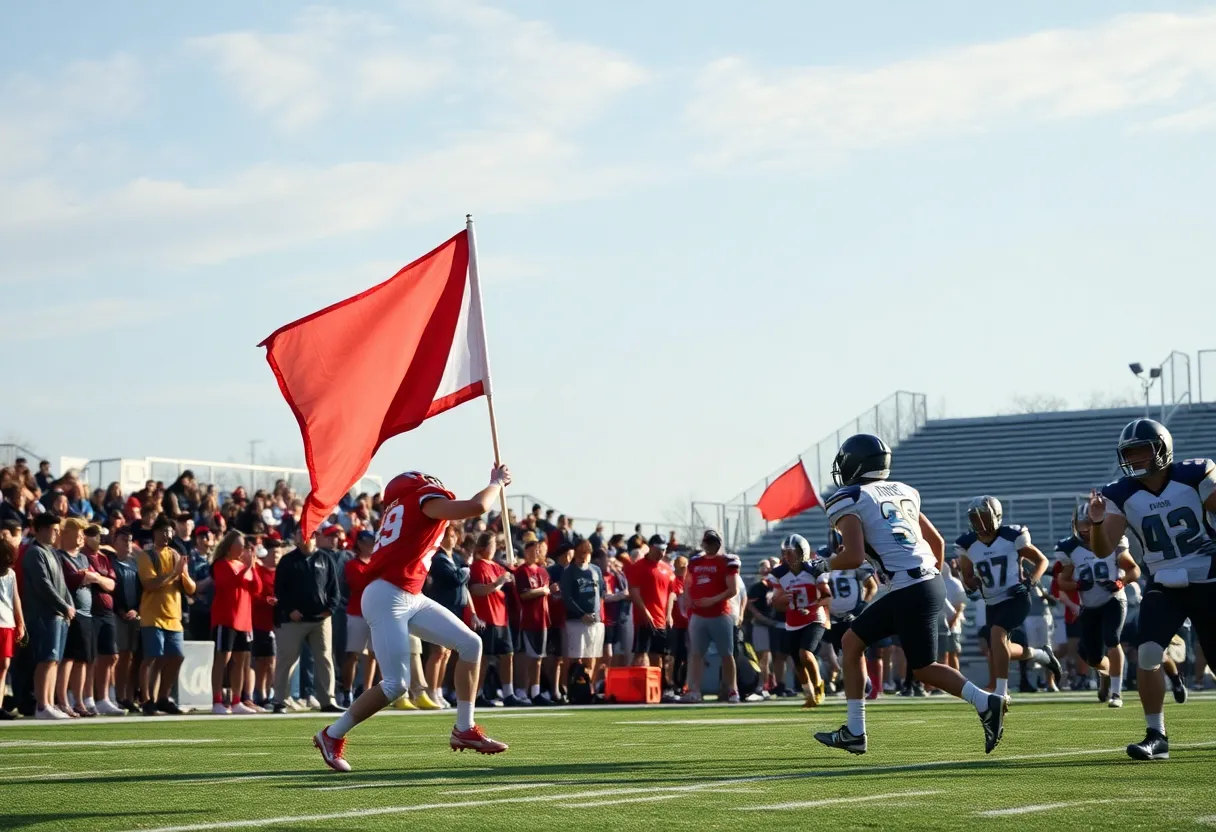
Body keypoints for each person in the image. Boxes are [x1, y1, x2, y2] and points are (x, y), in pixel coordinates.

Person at [814, 434, 1008, 756]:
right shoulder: (904, 491)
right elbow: (938, 543)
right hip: (926, 583)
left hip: (909, 587)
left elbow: (853, 556)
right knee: (857, 644)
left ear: (855, 462)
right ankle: (855, 731)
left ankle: (985, 701)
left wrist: (820, 564)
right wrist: (925, 578)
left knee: (920, 666)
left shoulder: (851, 497)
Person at [314, 466, 513, 772]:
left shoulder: (401, 507)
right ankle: (331, 734)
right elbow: (478, 506)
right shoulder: (421, 499)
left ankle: (464, 727)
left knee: (471, 644)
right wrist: (496, 483)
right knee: (396, 684)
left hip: (408, 593)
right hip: (388, 595)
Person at [1087, 419, 1216, 761]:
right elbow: (1103, 549)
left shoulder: (1197, 474)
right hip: (1164, 581)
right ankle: (1156, 735)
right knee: (1146, 653)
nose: (1137, 459)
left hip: (1210, 577)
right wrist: (1098, 522)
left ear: (1162, 448)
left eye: (1143, 450)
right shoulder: (1120, 493)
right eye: (1130, 453)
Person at [955, 496, 1062, 702]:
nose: (979, 523)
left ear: (996, 516)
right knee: (998, 648)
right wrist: (971, 582)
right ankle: (1041, 655)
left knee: (997, 636)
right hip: (991, 601)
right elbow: (968, 576)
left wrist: (1030, 582)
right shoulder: (967, 544)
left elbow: (1041, 560)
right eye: (975, 519)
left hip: (1016, 596)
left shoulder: (1012, 536)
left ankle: (1001, 692)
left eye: (983, 517)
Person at [1055, 503, 1139, 709]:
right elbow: (1062, 582)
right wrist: (1077, 584)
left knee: (1112, 639)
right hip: (1089, 605)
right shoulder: (1069, 548)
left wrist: (1120, 582)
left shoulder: (1114, 540)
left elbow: (1133, 569)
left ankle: (1117, 693)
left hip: (1113, 599)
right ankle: (1106, 674)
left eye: (1089, 523)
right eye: (1082, 523)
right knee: (1092, 657)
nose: (1085, 528)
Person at [273, 530, 343, 715]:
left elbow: (334, 587)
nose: (303, 538)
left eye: (308, 534)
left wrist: (331, 609)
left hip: (320, 619)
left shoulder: (325, 559)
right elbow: (280, 589)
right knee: (287, 659)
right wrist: (290, 610)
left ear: (314, 538)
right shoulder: (288, 561)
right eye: (300, 534)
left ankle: (328, 700)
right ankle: (280, 700)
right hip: (294, 620)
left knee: (325, 658)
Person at [137, 515, 196, 716]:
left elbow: (190, 588)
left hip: (173, 616)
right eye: (163, 531)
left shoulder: (176, 556)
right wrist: (173, 574)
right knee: (152, 657)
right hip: (152, 615)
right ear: (155, 533)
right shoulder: (147, 556)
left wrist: (183, 575)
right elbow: (150, 584)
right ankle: (146, 699)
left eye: (169, 531)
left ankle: (163, 697)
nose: (167, 535)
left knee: (176, 657)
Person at [58, 518, 112, 716]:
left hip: (88, 614)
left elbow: (97, 578)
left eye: (83, 533)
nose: (81, 537)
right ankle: (63, 701)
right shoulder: (60, 556)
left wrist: (90, 576)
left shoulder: (83, 558)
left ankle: (79, 701)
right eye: (78, 532)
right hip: (73, 613)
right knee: (69, 659)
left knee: (83, 660)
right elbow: (71, 579)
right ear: (66, 534)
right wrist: (86, 576)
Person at [769, 534, 832, 708]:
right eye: (785, 552)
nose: (788, 556)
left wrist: (811, 608)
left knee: (805, 653)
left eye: (792, 552)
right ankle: (809, 695)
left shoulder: (815, 569)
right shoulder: (780, 574)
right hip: (793, 621)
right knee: (797, 661)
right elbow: (778, 605)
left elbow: (827, 597)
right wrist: (783, 599)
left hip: (814, 617)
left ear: (802, 552)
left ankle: (819, 685)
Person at [22, 514, 74, 719]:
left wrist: (69, 606)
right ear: (40, 530)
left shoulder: (52, 552)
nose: (57, 533)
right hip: (44, 615)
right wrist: (64, 606)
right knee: (46, 659)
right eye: (53, 529)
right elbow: (43, 585)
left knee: (54, 660)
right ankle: (42, 705)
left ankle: (50, 703)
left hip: (58, 615)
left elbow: (61, 583)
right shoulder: (35, 553)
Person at [683, 530, 741, 703]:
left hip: (720, 613)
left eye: (713, 542)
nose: (709, 545)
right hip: (698, 614)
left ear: (718, 544)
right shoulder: (695, 562)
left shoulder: (727, 562)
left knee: (727, 654)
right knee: (696, 654)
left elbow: (733, 589)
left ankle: (732, 689)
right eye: (707, 542)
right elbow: (688, 582)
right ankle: (695, 690)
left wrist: (712, 600)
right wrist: (688, 599)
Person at [209, 530, 261, 714]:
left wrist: (252, 568)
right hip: (226, 617)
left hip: (244, 619)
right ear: (230, 546)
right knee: (224, 657)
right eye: (240, 545)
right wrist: (247, 569)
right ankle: (217, 701)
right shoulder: (220, 564)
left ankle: (237, 700)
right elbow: (228, 584)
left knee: (242, 660)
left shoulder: (243, 565)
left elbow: (257, 589)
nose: (243, 549)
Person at [823, 528, 879, 695]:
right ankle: (859, 684)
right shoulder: (825, 560)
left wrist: (860, 608)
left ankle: (861, 685)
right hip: (832, 617)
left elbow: (872, 587)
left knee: (853, 653)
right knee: (839, 657)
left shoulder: (856, 562)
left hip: (852, 615)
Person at [468, 532, 519, 706]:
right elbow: (477, 590)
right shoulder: (477, 567)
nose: (495, 548)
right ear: (484, 548)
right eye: (492, 545)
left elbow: (511, 580)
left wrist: (512, 569)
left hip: (501, 618)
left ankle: (508, 693)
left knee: (507, 655)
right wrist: (497, 583)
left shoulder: (497, 566)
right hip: (486, 617)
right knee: (483, 659)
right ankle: (478, 693)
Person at [423, 523, 467, 708]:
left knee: (446, 653)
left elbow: (462, 580)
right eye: (449, 535)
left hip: (454, 610)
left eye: (454, 535)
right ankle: (430, 691)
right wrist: (465, 569)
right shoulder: (439, 558)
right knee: (437, 651)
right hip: (439, 609)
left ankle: (438, 690)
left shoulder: (455, 557)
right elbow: (456, 578)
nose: (453, 538)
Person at [83, 528, 124, 716]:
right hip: (92, 611)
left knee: (110, 656)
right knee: (91, 657)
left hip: (107, 612)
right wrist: (102, 580)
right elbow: (90, 578)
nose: (98, 538)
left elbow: (111, 584)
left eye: (100, 535)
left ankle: (104, 698)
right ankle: (88, 697)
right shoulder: (83, 556)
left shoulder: (104, 558)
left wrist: (99, 579)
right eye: (93, 534)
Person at [626, 539, 676, 686]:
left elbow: (671, 592)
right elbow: (634, 592)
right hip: (644, 619)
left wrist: (669, 614)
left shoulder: (667, 569)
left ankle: (659, 686)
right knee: (640, 654)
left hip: (661, 619)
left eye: (664, 549)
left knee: (661, 656)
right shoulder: (638, 567)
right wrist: (646, 613)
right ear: (651, 548)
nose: (661, 553)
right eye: (658, 549)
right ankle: (636, 686)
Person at [339, 532, 378, 709]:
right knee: (353, 654)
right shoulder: (352, 564)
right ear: (360, 544)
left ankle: (367, 692)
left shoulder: (377, 563)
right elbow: (359, 584)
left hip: (376, 613)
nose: (372, 545)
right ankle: (347, 691)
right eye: (369, 542)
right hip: (357, 613)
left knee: (373, 654)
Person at [560, 540, 606, 684]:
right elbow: (567, 597)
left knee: (591, 656)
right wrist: (581, 614)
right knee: (575, 657)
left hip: (594, 620)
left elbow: (602, 592)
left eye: (586, 553)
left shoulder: (596, 570)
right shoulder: (569, 571)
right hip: (575, 620)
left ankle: (587, 686)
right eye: (580, 553)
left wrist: (596, 614)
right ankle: (572, 686)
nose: (583, 557)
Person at [513, 534, 551, 705]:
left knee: (538, 658)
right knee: (526, 657)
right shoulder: (521, 571)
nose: (536, 553)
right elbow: (524, 594)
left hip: (542, 619)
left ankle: (535, 691)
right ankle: (522, 690)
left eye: (538, 550)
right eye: (533, 550)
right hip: (527, 619)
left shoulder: (543, 571)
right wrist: (542, 591)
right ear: (526, 551)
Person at [108, 528, 142, 713]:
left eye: (130, 541)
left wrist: (136, 610)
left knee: (129, 657)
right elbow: (112, 592)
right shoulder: (111, 563)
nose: (128, 544)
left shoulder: (134, 565)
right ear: (115, 542)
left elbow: (139, 591)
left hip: (133, 615)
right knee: (117, 657)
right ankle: (115, 695)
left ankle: (127, 696)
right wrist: (121, 611)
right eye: (124, 540)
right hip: (117, 615)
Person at [251, 540, 282, 709]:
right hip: (261, 621)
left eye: (278, 554)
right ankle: (261, 694)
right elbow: (255, 594)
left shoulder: (281, 573)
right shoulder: (259, 571)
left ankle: (268, 693)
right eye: (273, 554)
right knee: (263, 660)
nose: (276, 557)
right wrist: (267, 601)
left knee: (272, 660)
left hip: (276, 622)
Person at [0, 536, 25, 719]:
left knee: (4, 665)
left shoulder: (11, 574)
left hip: (7, 622)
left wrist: (20, 623)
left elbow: (16, 599)